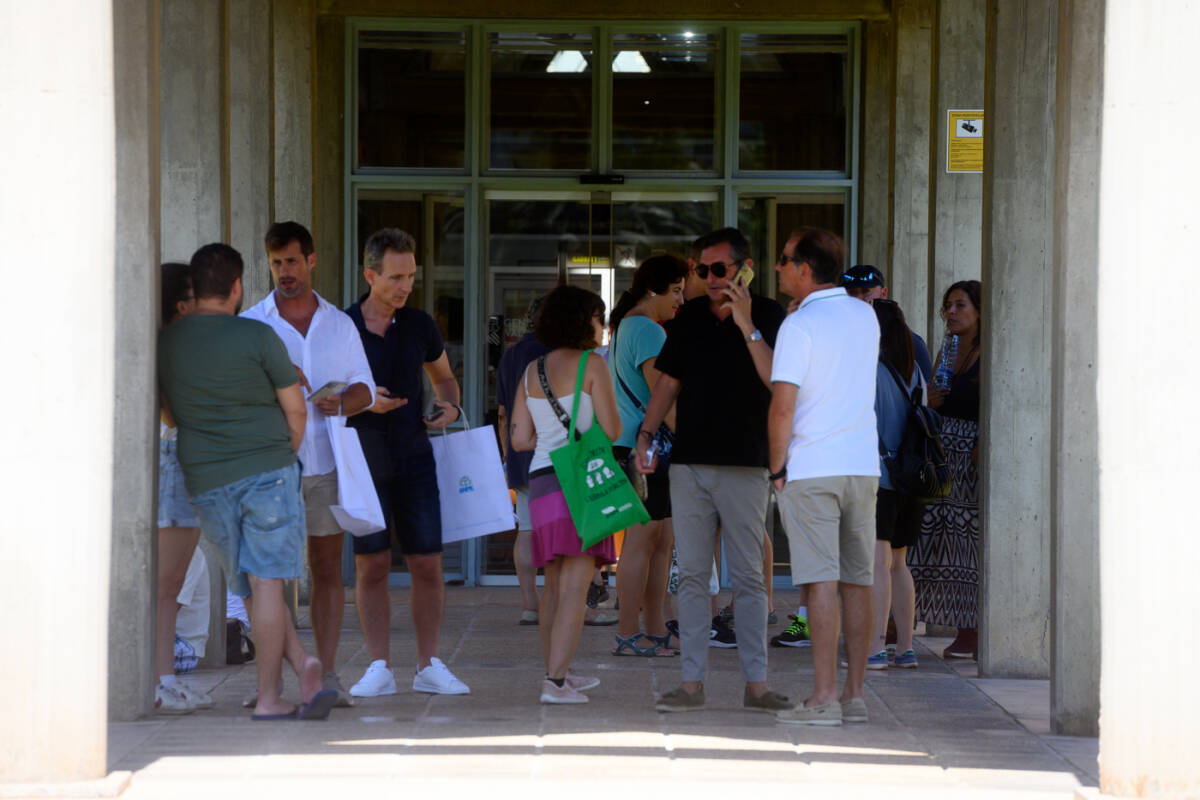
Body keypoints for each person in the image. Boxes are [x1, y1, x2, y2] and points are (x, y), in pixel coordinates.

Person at [158, 243, 335, 720]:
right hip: (268, 472)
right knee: (269, 583)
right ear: (237, 287)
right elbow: (295, 409)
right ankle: (270, 697)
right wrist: (283, 459)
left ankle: (298, 669)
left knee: (252, 587)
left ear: (196, 289)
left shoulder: (167, 343)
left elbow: (171, 414)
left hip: (207, 480)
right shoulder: (259, 337)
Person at [636, 227, 791, 714]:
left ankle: (757, 685)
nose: (708, 278)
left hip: (746, 463)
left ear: (745, 268)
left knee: (748, 576)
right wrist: (646, 433)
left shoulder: (770, 316)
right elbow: (667, 382)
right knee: (695, 576)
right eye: (701, 270)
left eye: (718, 269)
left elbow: (778, 380)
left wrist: (745, 321)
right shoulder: (689, 320)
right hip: (689, 463)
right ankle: (691, 683)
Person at [241, 221, 376, 707]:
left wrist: (342, 404)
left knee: (324, 569)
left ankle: (329, 674)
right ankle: (271, 686)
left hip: (325, 462)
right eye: (276, 263)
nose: (284, 272)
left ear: (312, 260)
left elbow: (364, 386)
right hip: (272, 465)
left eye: (292, 262)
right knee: (268, 575)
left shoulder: (339, 323)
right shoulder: (254, 322)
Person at [345, 228, 470, 697]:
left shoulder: (419, 324)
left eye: (411, 277)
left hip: (415, 457)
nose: (405, 286)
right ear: (370, 274)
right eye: (396, 277)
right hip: (361, 461)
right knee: (371, 566)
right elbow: (319, 393)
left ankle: (428, 664)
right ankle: (378, 666)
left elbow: (445, 379)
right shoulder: (341, 325)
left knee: (428, 564)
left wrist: (451, 408)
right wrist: (360, 401)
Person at [767, 227, 880, 726]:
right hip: (862, 464)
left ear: (805, 270)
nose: (777, 268)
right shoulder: (865, 314)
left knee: (819, 583)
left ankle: (823, 697)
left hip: (812, 466)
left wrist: (776, 469)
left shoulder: (800, 326)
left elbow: (782, 407)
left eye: (785, 260)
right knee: (858, 582)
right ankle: (854, 695)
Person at [508, 285, 619, 703]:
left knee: (553, 585)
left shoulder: (532, 369)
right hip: (580, 483)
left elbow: (520, 439)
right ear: (581, 320)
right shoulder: (593, 365)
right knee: (575, 585)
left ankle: (558, 672)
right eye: (598, 317)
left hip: (541, 480)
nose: (602, 326)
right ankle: (554, 683)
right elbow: (610, 430)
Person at [607, 254, 687, 657]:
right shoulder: (648, 330)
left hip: (632, 443)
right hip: (648, 447)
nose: (681, 300)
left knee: (660, 538)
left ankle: (654, 628)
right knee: (644, 540)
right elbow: (664, 396)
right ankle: (628, 631)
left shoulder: (626, 325)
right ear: (653, 289)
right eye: (675, 291)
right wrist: (692, 439)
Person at [908, 280, 983, 659]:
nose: (951, 313)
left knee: (962, 546)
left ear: (980, 312)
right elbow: (932, 403)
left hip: (969, 462)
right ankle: (900, 621)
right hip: (939, 456)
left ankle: (969, 630)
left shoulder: (989, 352)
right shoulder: (949, 349)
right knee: (923, 537)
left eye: (960, 305)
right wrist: (931, 402)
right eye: (947, 306)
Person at [153, 262, 214, 715]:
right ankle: (159, 682)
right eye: (197, 296)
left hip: (184, 462)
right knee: (167, 584)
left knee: (172, 583)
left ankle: (164, 679)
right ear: (181, 305)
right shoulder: (170, 349)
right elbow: (175, 415)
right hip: (175, 461)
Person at [867, 299, 925, 670]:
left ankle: (874, 648)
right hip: (912, 479)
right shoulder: (914, 370)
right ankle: (905, 647)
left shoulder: (869, 371)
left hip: (880, 477)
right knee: (900, 564)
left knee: (876, 563)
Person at [496, 295, 550, 624]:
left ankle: (531, 604)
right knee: (567, 529)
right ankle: (569, 603)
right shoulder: (559, 355)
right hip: (555, 453)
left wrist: (507, 457)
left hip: (520, 454)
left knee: (527, 529)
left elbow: (503, 413)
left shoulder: (511, 354)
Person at [840, 264, 934, 383]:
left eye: (866, 291)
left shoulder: (908, 342)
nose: (858, 299)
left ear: (884, 293)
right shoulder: (836, 338)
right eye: (852, 293)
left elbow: (926, 397)